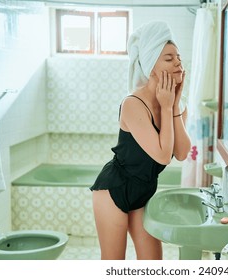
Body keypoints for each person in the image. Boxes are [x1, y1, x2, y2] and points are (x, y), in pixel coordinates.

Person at [90, 21, 191, 260]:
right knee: (114, 263)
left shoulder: (176, 104)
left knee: (153, 264)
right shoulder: (133, 104)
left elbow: (182, 153)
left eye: (178, 57)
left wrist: (174, 105)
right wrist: (166, 107)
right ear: (151, 66)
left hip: (143, 191)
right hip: (113, 191)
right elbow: (163, 155)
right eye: (168, 58)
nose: (177, 62)